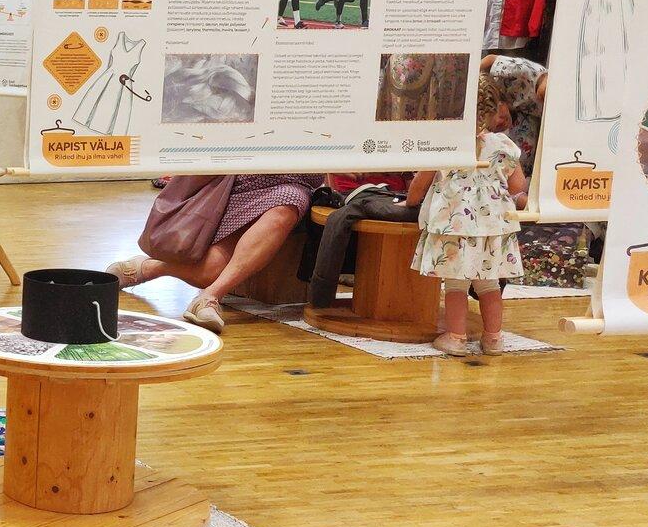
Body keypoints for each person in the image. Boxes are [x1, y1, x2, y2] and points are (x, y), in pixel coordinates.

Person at [109, 174, 324, 333]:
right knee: (209, 272)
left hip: (295, 184)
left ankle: (209, 297)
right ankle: (150, 267)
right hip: (241, 179)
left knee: (288, 200)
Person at [408, 76, 528, 356]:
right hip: (494, 225)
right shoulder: (503, 144)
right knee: (489, 283)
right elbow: (517, 186)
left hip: (455, 223)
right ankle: (494, 339)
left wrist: (411, 202)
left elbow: (419, 185)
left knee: (455, 284)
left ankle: (456, 338)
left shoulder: (445, 144)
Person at [304, 172, 416, 307]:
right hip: (360, 192)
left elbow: (413, 180)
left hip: (396, 194)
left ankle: (322, 295)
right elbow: (351, 173)